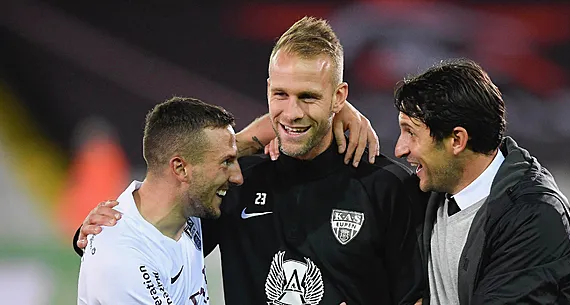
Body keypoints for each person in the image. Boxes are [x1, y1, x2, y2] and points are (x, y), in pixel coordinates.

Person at [74, 17, 425, 305]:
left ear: (339, 97)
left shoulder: (390, 187)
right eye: (280, 95)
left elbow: (419, 298)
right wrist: (104, 231)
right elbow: (157, 229)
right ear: (268, 88)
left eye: (309, 97)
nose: (292, 112)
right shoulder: (238, 182)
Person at [393, 58, 570, 304]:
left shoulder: (534, 216)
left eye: (411, 133)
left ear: (457, 141)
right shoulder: (429, 191)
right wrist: (343, 112)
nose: (400, 149)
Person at [77, 97, 243, 304]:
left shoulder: (184, 209)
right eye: (226, 162)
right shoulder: (123, 260)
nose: (238, 177)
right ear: (181, 168)